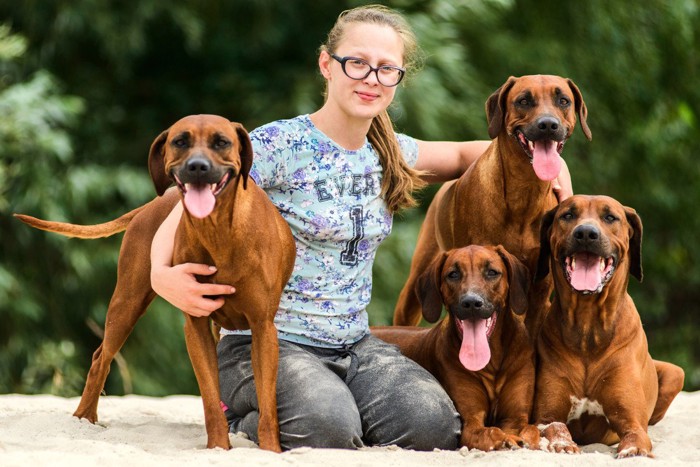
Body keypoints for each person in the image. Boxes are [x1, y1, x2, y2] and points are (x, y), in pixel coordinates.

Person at [151, 4, 572, 451]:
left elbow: (470, 155)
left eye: (386, 69)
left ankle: (338, 401)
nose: (371, 78)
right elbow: (184, 199)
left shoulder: (391, 151)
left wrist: (549, 166)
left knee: (434, 425)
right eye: (357, 63)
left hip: (354, 343)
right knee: (327, 428)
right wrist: (161, 274)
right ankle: (241, 411)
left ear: (398, 80)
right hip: (265, 344)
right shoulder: (280, 145)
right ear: (326, 65)